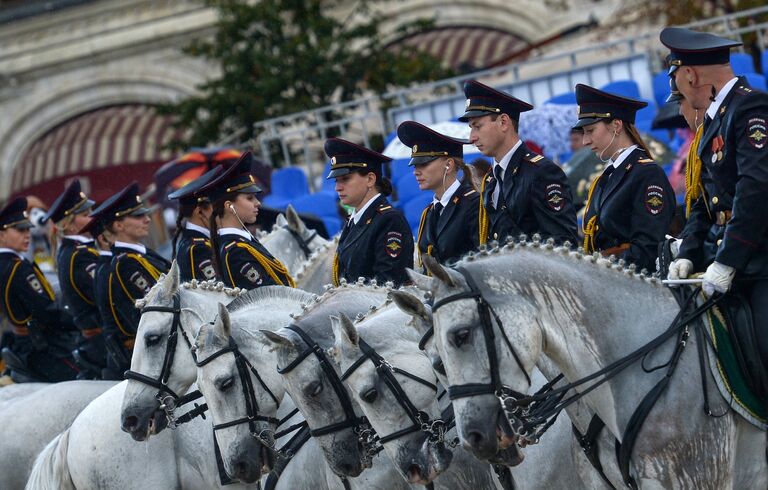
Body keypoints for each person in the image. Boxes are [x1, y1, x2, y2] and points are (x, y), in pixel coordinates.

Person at [662, 27, 768, 368]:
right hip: (736, 259)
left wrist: (727, 261)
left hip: (761, 261)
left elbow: (755, 191)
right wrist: (690, 254)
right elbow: (706, 203)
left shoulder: (749, 107)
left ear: (690, 75)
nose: (677, 85)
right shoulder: (713, 122)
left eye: (676, 76)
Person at [459, 80, 578, 245]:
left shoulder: (541, 172)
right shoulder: (491, 179)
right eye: (471, 128)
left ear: (503, 122)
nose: (472, 137)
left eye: (477, 126)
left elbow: (564, 242)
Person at [575, 83, 676, 272]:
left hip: (635, 283)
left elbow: (648, 246)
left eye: (590, 131)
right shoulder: (606, 177)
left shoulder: (646, 173)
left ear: (616, 125)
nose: (585, 141)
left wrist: (604, 272)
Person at [0, 197, 79, 382]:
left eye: (28, 229)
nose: (27, 234)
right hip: (44, 348)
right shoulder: (17, 268)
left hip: (22, 343)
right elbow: (46, 312)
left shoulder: (7, 265)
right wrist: (79, 323)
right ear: (1, 235)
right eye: (19, 230)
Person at [95, 183, 170, 360]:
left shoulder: (139, 255)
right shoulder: (126, 264)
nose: (147, 219)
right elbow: (159, 308)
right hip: (153, 355)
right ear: (119, 225)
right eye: (138, 216)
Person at [326, 137, 414, 286]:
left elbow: (388, 285)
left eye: (345, 179)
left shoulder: (389, 220)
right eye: (336, 181)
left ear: (370, 179)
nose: (338, 188)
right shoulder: (353, 221)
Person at [200, 151, 294, 289]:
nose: (258, 203)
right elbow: (271, 296)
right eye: (250, 198)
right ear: (229, 206)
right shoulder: (236, 251)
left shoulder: (242, 242)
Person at [42, 180, 107, 378]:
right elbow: (104, 295)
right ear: (69, 225)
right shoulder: (80, 255)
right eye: (86, 215)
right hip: (102, 341)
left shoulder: (77, 251)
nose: (93, 217)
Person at [397, 120, 479, 269]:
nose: (416, 171)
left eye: (423, 164)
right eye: (415, 165)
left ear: (448, 164)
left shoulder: (474, 204)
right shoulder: (428, 213)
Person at [167, 166, 223, 282]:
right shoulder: (198, 249)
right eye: (217, 207)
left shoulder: (196, 242)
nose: (221, 212)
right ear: (200, 212)